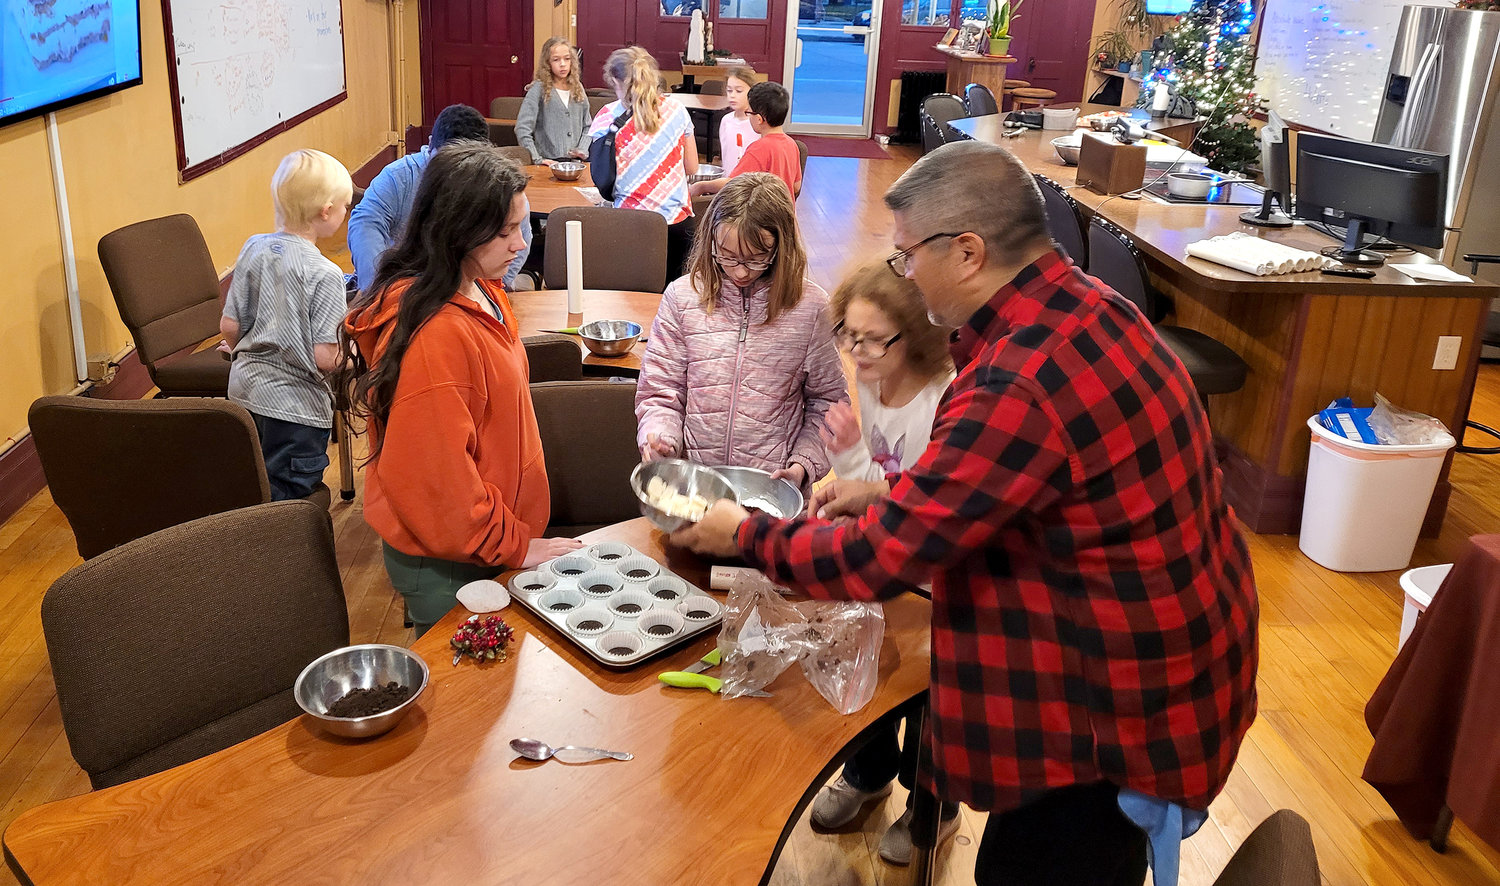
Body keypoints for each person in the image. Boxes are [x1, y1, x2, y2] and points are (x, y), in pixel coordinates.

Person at [672, 140, 1259, 886]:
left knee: (1035, 871)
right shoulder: (1091, 308)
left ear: (970, 252)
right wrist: (893, 493)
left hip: (1120, 717)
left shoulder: (1020, 379)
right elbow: (1032, 490)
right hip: (1174, 674)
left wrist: (747, 534)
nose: (903, 271)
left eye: (909, 253)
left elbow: (879, 561)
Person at [343, 143, 583, 636]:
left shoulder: (481, 285)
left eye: (522, 225)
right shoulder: (436, 338)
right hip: (454, 558)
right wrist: (512, 544)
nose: (521, 244)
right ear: (459, 232)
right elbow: (440, 485)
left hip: (478, 544)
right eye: (505, 231)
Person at [808, 261, 961, 863]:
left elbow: (927, 505)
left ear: (916, 336)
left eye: (874, 339)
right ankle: (868, 774)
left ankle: (933, 810)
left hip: (934, 576)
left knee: (927, 702)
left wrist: (851, 468)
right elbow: (871, 486)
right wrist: (846, 460)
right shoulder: (870, 381)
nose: (856, 351)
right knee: (862, 667)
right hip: (884, 557)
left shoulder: (945, 396)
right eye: (848, 334)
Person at [635, 173, 848, 491]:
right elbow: (660, 391)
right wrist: (662, 436)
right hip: (695, 489)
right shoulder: (682, 298)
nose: (740, 271)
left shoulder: (811, 308)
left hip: (770, 494)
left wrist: (802, 466)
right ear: (710, 242)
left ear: (781, 246)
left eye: (755, 257)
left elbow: (827, 403)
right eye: (727, 255)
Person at [220, 149, 352, 502]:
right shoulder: (326, 274)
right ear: (326, 211)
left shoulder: (253, 248)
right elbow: (325, 357)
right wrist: (360, 360)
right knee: (288, 501)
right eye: (345, 207)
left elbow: (230, 325)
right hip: (295, 412)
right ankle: (284, 555)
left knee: (253, 489)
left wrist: (240, 348)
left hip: (245, 396)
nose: (345, 213)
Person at [347, 104, 530, 291]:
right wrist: (379, 289)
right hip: (405, 284)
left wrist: (490, 291)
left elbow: (520, 236)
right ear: (430, 143)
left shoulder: (498, 184)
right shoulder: (399, 177)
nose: (451, 177)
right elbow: (365, 225)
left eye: (463, 170)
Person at [590, 47, 699, 279]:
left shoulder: (606, 116)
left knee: (632, 300)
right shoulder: (677, 110)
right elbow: (692, 167)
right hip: (675, 223)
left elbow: (600, 171)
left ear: (615, 80)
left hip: (629, 223)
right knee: (672, 299)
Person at [689, 81, 801, 200]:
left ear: (759, 119)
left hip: (762, 215)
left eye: (748, 112)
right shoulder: (791, 144)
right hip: (786, 214)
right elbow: (796, 186)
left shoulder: (759, 148)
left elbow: (733, 183)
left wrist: (701, 186)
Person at [516, 37, 591, 166]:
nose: (562, 64)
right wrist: (536, 158)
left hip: (575, 164)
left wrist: (582, 149)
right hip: (549, 162)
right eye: (556, 60)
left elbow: (588, 125)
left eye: (567, 59)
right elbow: (522, 128)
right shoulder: (539, 89)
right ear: (548, 63)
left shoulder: (577, 87)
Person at [716, 66, 759, 174]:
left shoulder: (758, 123)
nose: (732, 95)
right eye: (729, 91)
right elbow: (726, 157)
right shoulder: (726, 120)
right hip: (728, 182)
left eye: (739, 91)